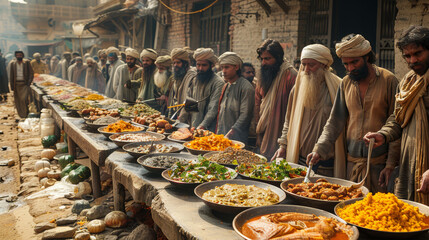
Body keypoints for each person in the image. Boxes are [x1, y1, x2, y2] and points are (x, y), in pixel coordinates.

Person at [307, 34, 400, 192]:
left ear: (367, 57)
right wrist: (318, 150)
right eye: (346, 64)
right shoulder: (346, 83)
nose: (350, 68)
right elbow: (335, 121)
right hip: (352, 165)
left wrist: (390, 165)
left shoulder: (389, 80)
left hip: (380, 167)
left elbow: (397, 123)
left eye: (355, 62)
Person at [363, 26, 429, 204]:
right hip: (409, 161)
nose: (413, 60)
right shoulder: (408, 83)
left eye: (418, 53)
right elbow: (397, 118)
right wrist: (383, 135)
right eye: (407, 56)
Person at [272, 44, 346, 177]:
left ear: (324, 65)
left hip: (326, 164)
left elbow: (338, 123)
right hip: (298, 160)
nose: (306, 69)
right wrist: (283, 145)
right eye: (303, 64)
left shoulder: (339, 87)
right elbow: (288, 120)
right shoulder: (297, 88)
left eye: (311, 65)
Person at [255, 39, 297, 159]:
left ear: (278, 58)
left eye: (267, 59)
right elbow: (257, 104)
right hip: (262, 132)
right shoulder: (262, 76)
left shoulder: (291, 76)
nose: (263, 63)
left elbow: (294, 111)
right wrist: (258, 134)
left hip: (281, 134)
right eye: (262, 59)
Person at [179, 48, 224, 131]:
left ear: (212, 65)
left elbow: (213, 109)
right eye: (198, 65)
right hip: (193, 126)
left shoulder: (218, 82)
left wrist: (202, 126)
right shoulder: (195, 79)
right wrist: (179, 122)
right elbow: (189, 103)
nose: (200, 68)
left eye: (204, 65)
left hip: (208, 128)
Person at [216, 52, 255, 144]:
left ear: (236, 67)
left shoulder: (246, 87)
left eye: (227, 67)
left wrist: (230, 134)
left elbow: (245, 115)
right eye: (222, 68)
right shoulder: (226, 86)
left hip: (237, 140)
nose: (223, 71)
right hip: (222, 138)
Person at [167, 48, 197, 119]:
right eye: (174, 63)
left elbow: (192, 101)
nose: (175, 65)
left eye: (178, 62)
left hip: (188, 117)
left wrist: (182, 118)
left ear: (185, 63)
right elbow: (174, 98)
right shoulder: (177, 76)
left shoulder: (192, 77)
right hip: (177, 114)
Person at [9, 50, 33, 118]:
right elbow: (11, 75)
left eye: (20, 55)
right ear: (16, 56)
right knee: (18, 101)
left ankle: (26, 113)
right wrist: (12, 86)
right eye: (17, 55)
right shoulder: (12, 63)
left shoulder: (27, 62)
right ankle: (21, 115)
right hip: (16, 84)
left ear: (22, 55)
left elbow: (31, 73)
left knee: (24, 100)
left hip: (24, 84)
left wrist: (29, 82)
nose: (19, 56)